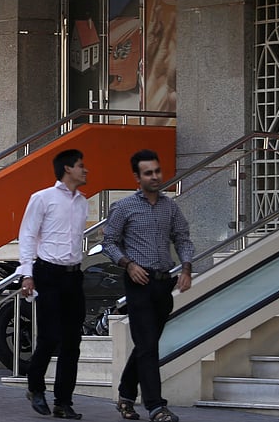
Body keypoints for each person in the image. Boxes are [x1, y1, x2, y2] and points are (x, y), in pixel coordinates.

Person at [102, 150, 194, 422]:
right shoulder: (124, 207)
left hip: (164, 285)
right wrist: (128, 264)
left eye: (157, 171)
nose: (155, 177)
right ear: (137, 178)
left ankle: (126, 395)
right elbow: (108, 242)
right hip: (138, 284)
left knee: (146, 344)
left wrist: (186, 268)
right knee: (148, 346)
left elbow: (183, 238)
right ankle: (156, 406)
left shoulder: (170, 207)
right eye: (148, 173)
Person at [18, 148, 88, 420]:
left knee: (73, 340)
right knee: (50, 336)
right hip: (47, 273)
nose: (85, 170)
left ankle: (63, 401)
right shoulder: (42, 198)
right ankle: (35, 388)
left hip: (73, 275)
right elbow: (27, 235)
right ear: (68, 169)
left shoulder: (82, 202)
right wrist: (26, 273)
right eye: (81, 166)